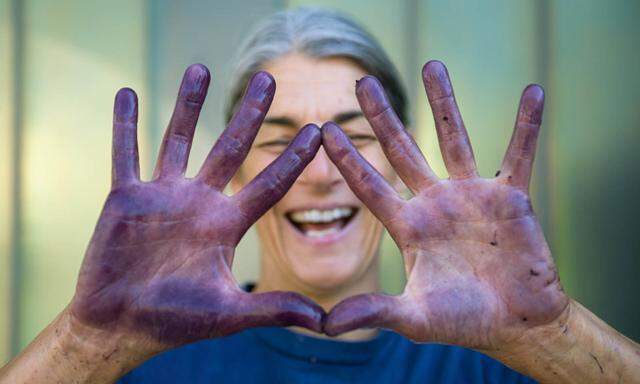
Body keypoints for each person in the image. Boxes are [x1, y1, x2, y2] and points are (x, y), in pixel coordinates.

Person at [1, 7, 638, 384]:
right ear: (237, 166)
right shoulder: (143, 357)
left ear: (402, 160)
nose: (320, 172)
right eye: (282, 143)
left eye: (355, 138)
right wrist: (84, 347)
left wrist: (552, 336)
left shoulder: (499, 357)